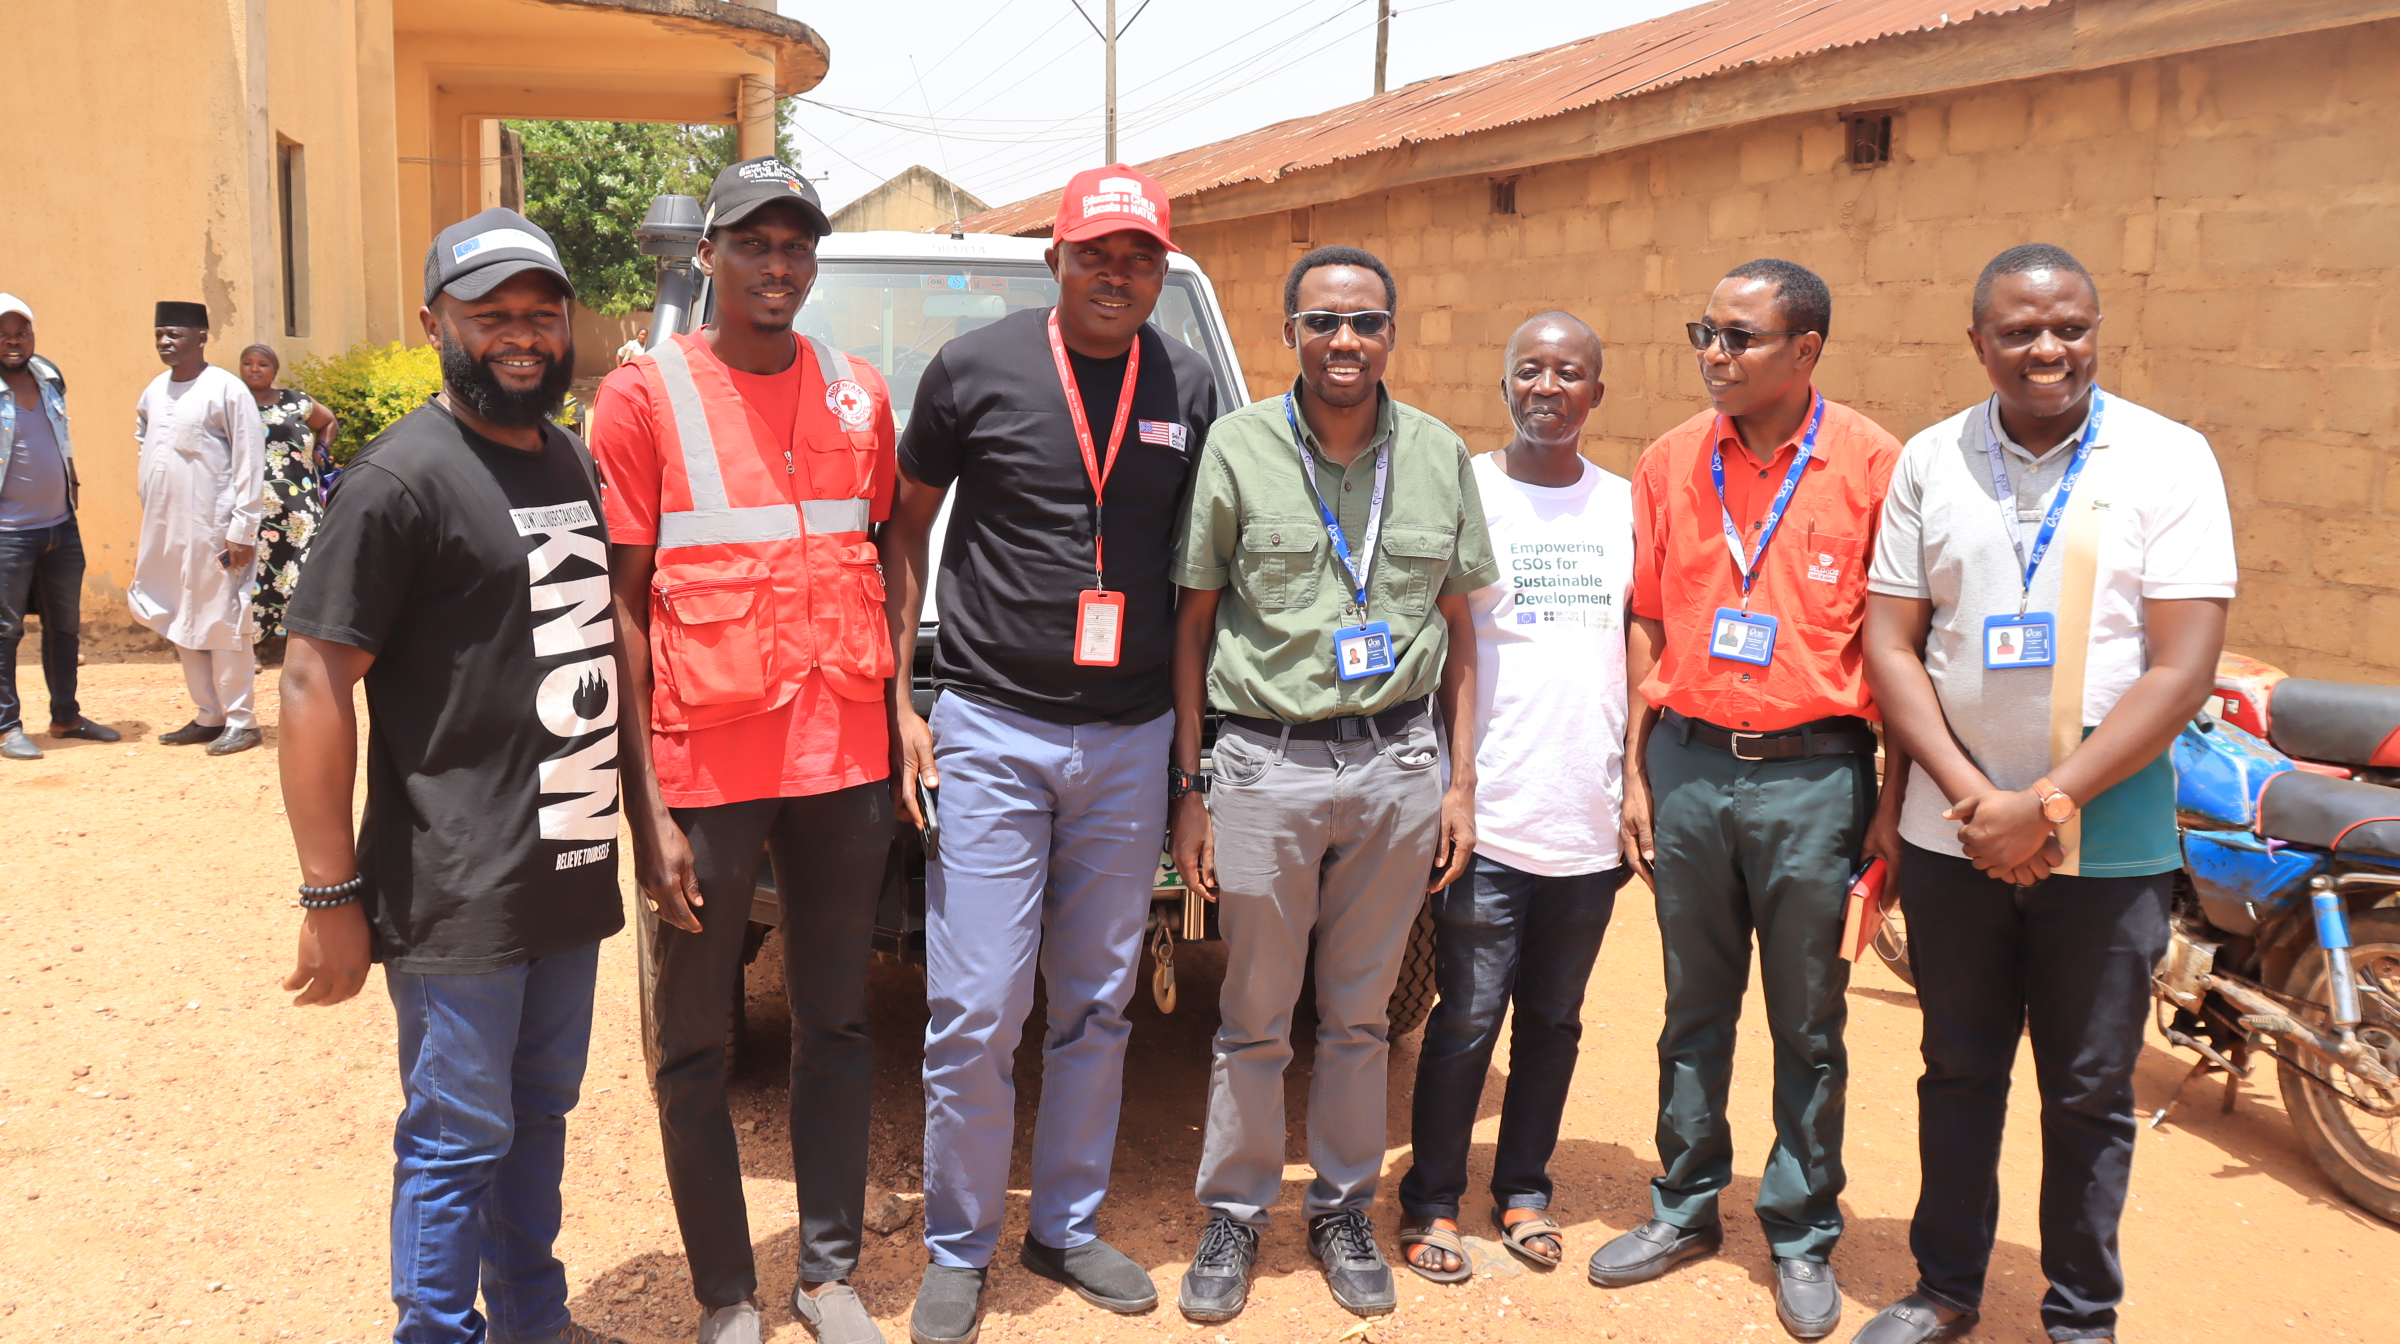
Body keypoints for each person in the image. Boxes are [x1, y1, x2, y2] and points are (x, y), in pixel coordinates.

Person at [1852, 245, 2233, 1344]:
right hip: (1955, 838)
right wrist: (1979, 800)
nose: (2048, 349)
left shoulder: (2168, 458)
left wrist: (2049, 804)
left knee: (2088, 1093)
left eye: (2070, 326)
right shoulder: (1931, 459)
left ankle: (2080, 1317)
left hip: (2108, 843)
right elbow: (1892, 643)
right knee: (1958, 1072)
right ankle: (1945, 1289)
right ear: (1979, 342)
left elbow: (2183, 667)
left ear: (2097, 329)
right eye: (2019, 331)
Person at [881, 163, 1217, 1344]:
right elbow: (905, 526)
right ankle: (960, 1245)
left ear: (1160, 270)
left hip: (1130, 739)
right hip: (991, 727)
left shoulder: (1188, 384)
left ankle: (1065, 1226)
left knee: (1096, 1003)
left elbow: (1198, 585)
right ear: (1056, 261)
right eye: (1095, 254)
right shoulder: (974, 369)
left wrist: (1190, 764)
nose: (1116, 275)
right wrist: (900, 697)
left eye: (1139, 257)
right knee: (977, 1007)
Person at [278, 208, 626, 1344]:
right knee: (456, 1135)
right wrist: (330, 893)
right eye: (492, 317)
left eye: (542, 314)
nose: (522, 337)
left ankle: (534, 1322)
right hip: (457, 882)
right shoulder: (399, 480)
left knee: (540, 1114)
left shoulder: (565, 456)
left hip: (565, 860)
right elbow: (313, 681)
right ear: (435, 325)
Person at [588, 157, 897, 1344]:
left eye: (796, 245)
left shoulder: (860, 394)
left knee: (838, 1022)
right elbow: (621, 608)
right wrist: (646, 808)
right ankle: (727, 1294)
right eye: (754, 244)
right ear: (708, 256)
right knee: (694, 1042)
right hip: (705, 769)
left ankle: (826, 1276)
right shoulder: (643, 397)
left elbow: (887, 548)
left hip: (842, 762)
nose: (778, 265)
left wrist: (900, 705)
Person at [1169, 245, 1495, 1323]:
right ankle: (1235, 1213)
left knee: (1359, 1018)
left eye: (1363, 321)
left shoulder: (1440, 455)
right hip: (1266, 765)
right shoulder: (1239, 446)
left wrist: (1459, 783)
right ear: (1291, 335)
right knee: (1254, 1014)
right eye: (1322, 322)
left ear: (1391, 333)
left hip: (1399, 767)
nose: (1343, 340)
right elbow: (1194, 622)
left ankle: (1344, 1209)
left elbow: (1461, 631)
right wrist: (1193, 783)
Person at [1593, 259, 1907, 1342]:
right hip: (1688, 766)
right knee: (1693, 1003)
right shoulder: (1670, 461)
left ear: (1805, 349)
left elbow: (1901, 647)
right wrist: (1637, 771)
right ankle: (1684, 1205)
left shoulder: (1872, 466)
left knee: (1808, 1018)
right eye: (1706, 333)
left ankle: (1802, 1229)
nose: (1714, 354)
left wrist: (1889, 802)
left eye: (1739, 337)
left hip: (1816, 777)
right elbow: (1647, 617)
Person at [1394, 311, 1632, 1283]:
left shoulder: (1625, 508)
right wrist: (1452, 787)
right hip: (1489, 815)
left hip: (1589, 817)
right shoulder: (1469, 493)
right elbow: (1440, 642)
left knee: (1556, 1021)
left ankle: (1525, 1188)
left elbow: (1640, 652)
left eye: (1568, 373)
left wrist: (1634, 787)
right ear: (1504, 385)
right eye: (1529, 370)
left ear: (1596, 392)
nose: (1547, 388)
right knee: (1466, 1016)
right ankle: (1432, 1198)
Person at [132, 300, 268, 755]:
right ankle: (209, 715)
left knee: (224, 620)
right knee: (180, 615)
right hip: (166, 529)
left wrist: (242, 529)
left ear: (202, 337)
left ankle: (241, 720)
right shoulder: (155, 390)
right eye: (159, 334)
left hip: (216, 530)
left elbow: (250, 460)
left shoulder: (226, 389)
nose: (165, 342)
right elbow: (144, 440)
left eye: (174, 334)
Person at [0, 294, 118, 760]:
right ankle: (7, 727)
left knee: (64, 627)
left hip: (61, 527)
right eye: (4, 334)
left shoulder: (48, 376)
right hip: (7, 534)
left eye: (22, 332)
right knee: (5, 631)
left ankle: (66, 717)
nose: (13, 341)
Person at [237, 342, 337, 657]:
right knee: (256, 574)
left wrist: (322, 450)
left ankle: (298, 646)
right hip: (254, 511)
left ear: (275, 371)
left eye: (262, 364)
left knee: (304, 570)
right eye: (248, 363)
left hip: (300, 510)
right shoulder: (233, 405)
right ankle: (251, 647)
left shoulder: (297, 402)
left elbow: (329, 422)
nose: (255, 369)